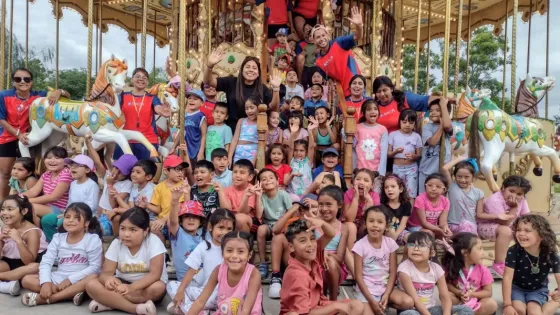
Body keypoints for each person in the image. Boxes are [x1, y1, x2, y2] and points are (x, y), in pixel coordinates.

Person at [85, 208, 167, 315]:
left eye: (133, 230)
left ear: (145, 231)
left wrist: (131, 288)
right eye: (123, 228)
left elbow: (155, 275)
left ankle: (110, 302)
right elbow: (106, 273)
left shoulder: (154, 242)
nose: (126, 234)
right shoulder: (116, 243)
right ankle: (135, 308)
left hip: (146, 286)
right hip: (122, 283)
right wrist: (108, 280)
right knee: (91, 285)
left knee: (158, 288)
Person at [21, 203, 103, 307]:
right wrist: (45, 283)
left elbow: (95, 267)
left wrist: (70, 280)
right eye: (67, 217)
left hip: (81, 278)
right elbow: (46, 262)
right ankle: (72, 294)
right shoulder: (58, 238)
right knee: (27, 280)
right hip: (59, 278)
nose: (70, 220)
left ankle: (52, 298)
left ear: (86, 223)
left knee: (94, 277)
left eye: (76, 218)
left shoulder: (92, 239)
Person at [0, 68, 64, 199]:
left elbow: (66, 95)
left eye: (26, 79)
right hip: (9, 136)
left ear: (31, 82)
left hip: (30, 137)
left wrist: (59, 91)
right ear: (13, 82)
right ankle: (3, 201)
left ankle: (27, 200)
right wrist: (18, 134)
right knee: (6, 173)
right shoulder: (4, 95)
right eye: (18, 79)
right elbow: (1, 119)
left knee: (29, 172)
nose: (23, 82)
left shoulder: (39, 95)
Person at [280, 219, 365, 314]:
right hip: (303, 312)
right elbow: (304, 313)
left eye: (312, 238)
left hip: (319, 306)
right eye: (302, 241)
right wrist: (335, 306)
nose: (310, 244)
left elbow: (331, 234)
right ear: (291, 247)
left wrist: (322, 223)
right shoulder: (297, 274)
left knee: (357, 305)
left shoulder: (312, 257)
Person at [168, 209, 236, 314]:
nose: (225, 233)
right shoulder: (203, 246)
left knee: (173, 307)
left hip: (222, 295)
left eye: (229, 229)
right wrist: (180, 291)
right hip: (203, 292)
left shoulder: (234, 249)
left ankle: (188, 309)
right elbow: (191, 270)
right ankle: (199, 311)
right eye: (221, 228)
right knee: (172, 285)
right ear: (210, 227)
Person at [353, 205, 414, 313]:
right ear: (365, 223)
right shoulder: (360, 245)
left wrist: (386, 294)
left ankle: (384, 303)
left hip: (385, 289)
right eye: (371, 221)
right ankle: (374, 306)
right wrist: (371, 301)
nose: (375, 225)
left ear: (386, 225)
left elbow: (393, 272)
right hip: (367, 292)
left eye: (380, 222)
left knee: (408, 302)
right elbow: (358, 277)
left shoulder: (390, 243)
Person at [185, 231, 263, 315]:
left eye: (240, 252)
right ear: (222, 253)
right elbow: (201, 301)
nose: (234, 256)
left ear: (249, 255)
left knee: (229, 305)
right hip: (224, 311)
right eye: (229, 250)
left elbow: (246, 311)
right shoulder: (219, 270)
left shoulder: (253, 274)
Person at [398, 232, 474, 315]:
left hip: (431, 309)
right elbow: (415, 300)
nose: (416, 248)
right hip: (412, 310)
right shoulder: (404, 269)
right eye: (412, 245)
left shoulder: (436, 269)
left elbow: (445, 297)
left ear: (432, 253)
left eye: (422, 245)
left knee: (465, 310)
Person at [204, 53, 281, 131]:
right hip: (232, 129)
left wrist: (276, 89)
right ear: (242, 70)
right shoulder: (231, 82)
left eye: (254, 68)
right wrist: (209, 66)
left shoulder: (262, 88)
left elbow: (274, 108)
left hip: (254, 130)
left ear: (258, 73)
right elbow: (208, 81)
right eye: (247, 67)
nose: (251, 70)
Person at [503, 214, 560, 315]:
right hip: (517, 288)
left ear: (542, 235)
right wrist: (507, 305)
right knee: (519, 310)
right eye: (518, 230)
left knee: (534, 312)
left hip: (538, 289)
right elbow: (507, 277)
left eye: (527, 230)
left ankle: (557, 302)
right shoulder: (513, 251)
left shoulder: (550, 253)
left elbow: (559, 276)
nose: (520, 233)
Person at [477, 175, 531, 278]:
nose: (514, 196)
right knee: (506, 231)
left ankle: (529, 263)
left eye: (519, 194)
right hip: (487, 227)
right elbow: (505, 223)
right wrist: (514, 207)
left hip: (509, 227)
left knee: (530, 230)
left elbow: (527, 218)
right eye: (511, 191)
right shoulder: (495, 199)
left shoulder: (522, 199)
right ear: (503, 188)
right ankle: (498, 264)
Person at [39, 154, 100, 241]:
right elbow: (70, 201)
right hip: (70, 213)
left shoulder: (92, 185)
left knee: (62, 222)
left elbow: (92, 206)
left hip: (86, 216)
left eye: (77, 166)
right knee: (46, 220)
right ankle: (53, 243)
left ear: (87, 169)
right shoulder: (73, 183)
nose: (72, 168)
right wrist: (66, 212)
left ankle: (67, 243)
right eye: (71, 165)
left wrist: (73, 215)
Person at [268, 194, 318, 299]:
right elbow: (275, 230)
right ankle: (276, 277)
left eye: (307, 208)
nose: (303, 211)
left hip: (312, 262)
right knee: (278, 238)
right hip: (293, 259)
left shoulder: (320, 222)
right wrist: (292, 210)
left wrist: (314, 216)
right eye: (301, 209)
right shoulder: (293, 221)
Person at [85, 135, 136, 238]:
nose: (116, 173)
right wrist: (88, 143)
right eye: (116, 168)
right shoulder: (108, 175)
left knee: (94, 233)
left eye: (121, 172)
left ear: (128, 174)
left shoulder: (127, 184)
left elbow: (114, 205)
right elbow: (97, 162)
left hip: (111, 217)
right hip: (101, 215)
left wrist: (109, 184)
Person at [115, 67, 170, 160]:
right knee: (122, 172)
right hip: (125, 139)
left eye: (144, 78)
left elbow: (157, 108)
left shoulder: (152, 98)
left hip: (148, 140)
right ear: (132, 80)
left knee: (145, 172)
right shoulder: (123, 96)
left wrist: (163, 111)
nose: (141, 79)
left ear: (148, 82)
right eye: (138, 76)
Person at [0, 194, 48, 296]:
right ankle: (8, 282)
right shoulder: (4, 227)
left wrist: (18, 241)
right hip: (9, 263)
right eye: (3, 209)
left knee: (34, 267)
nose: (4, 213)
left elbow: (29, 261)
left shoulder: (32, 231)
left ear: (24, 211)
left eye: (10, 209)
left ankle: (4, 280)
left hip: (27, 265)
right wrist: (1, 240)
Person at [442, 232, 497, 315]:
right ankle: (462, 312)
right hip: (459, 301)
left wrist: (472, 294)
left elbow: (488, 292)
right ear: (465, 252)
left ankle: (466, 313)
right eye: (479, 249)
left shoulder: (483, 269)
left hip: (476, 303)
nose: (483, 252)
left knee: (491, 304)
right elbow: (448, 285)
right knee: (446, 296)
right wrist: (458, 292)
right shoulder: (452, 266)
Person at [313, 7, 363, 97]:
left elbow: (357, 37)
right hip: (342, 95)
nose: (321, 39)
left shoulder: (339, 43)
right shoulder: (318, 62)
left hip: (357, 87)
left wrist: (359, 26)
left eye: (323, 35)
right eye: (318, 37)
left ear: (328, 35)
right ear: (314, 41)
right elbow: (329, 80)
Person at [23, 146, 72, 231]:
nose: (52, 160)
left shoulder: (66, 173)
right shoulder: (47, 173)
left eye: (57, 158)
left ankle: (37, 235)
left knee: (29, 207)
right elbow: (33, 191)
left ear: (65, 161)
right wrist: (18, 197)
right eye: (49, 158)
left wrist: (26, 201)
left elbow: (54, 197)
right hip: (47, 207)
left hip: (61, 210)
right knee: (17, 204)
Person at [256, 169, 292, 278]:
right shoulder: (262, 196)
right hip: (269, 226)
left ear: (277, 181)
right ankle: (263, 263)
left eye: (271, 178)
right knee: (261, 229)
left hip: (283, 225)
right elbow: (258, 216)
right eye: (264, 179)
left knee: (279, 235)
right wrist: (258, 195)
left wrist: (283, 228)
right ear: (260, 183)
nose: (268, 181)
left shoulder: (283, 194)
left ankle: (281, 268)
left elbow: (291, 213)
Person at [316, 185, 350, 301]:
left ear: (339, 205)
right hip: (315, 263)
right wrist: (320, 253)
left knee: (330, 262)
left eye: (329, 204)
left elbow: (340, 258)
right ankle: (320, 296)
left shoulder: (343, 228)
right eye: (321, 204)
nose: (324, 208)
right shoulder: (313, 225)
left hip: (335, 268)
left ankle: (333, 300)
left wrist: (325, 253)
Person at [168, 183, 205, 284]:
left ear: (201, 221)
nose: (191, 220)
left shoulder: (204, 235)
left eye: (195, 217)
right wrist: (175, 200)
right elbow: (172, 221)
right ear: (181, 220)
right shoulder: (178, 233)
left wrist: (187, 193)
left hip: (204, 281)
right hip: (185, 284)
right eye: (187, 217)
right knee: (171, 286)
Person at [148, 155, 189, 242]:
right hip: (161, 219)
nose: (181, 172)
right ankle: (163, 252)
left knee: (170, 222)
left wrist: (164, 220)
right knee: (151, 226)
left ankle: (173, 245)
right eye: (177, 169)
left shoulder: (183, 185)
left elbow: (180, 207)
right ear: (166, 171)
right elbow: (158, 209)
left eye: (182, 169)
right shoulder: (159, 187)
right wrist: (146, 204)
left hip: (177, 220)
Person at [418, 98, 452, 193]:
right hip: (427, 169)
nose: (433, 113)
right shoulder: (427, 127)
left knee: (440, 198)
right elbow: (432, 142)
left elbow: (447, 126)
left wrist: (444, 106)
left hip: (441, 170)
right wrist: (441, 127)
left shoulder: (449, 125)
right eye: (431, 111)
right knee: (423, 195)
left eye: (437, 110)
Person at [442, 157, 484, 235]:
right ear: (455, 176)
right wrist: (459, 159)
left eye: (467, 177)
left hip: (470, 227)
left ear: (473, 177)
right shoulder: (452, 186)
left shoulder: (478, 193)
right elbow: (445, 168)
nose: (462, 180)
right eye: (459, 176)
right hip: (453, 225)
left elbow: (479, 214)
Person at [407, 173, 452, 241]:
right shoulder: (420, 199)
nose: (433, 189)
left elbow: (443, 222)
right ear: (425, 186)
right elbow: (424, 223)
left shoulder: (446, 201)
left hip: (433, 227)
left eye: (438, 186)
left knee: (449, 235)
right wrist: (439, 230)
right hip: (416, 227)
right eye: (430, 185)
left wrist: (445, 228)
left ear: (444, 190)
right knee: (429, 234)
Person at [388, 109, 422, 198]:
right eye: (404, 122)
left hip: (411, 169)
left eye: (411, 122)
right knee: (397, 192)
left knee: (411, 194)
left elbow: (419, 155)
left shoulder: (416, 136)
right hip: (397, 168)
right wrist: (396, 152)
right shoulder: (393, 135)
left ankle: (409, 211)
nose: (407, 125)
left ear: (415, 123)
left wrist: (414, 156)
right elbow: (388, 154)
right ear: (400, 122)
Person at [343, 169, 380, 248]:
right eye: (358, 179)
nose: (361, 182)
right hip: (350, 228)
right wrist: (355, 198)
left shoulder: (374, 196)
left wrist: (369, 201)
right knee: (351, 226)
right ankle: (351, 255)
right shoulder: (348, 193)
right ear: (353, 182)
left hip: (364, 225)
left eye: (366, 180)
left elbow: (372, 218)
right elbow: (349, 219)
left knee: (370, 225)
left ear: (372, 185)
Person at [224, 159, 261, 233]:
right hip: (233, 220)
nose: (237, 175)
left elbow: (243, 212)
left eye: (242, 173)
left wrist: (246, 196)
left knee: (240, 218)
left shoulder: (252, 190)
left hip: (250, 222)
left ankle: (244, 242)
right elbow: (226, 210)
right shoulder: (226, 190)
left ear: (250, 177)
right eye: (235, 172)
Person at [355, 99, 388, 175]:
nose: (373, 111)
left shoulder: (382, 129)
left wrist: (381, 173)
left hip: (376, 171)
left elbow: (383, 153)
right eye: (369, 109)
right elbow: (352, 145)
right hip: (360, 169)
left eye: (375, 109)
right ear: (363, 113)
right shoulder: (357, 128)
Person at [229, 96, 260, 165]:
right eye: (246, 108)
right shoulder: (241, 121)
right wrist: (230, 157)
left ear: (258, 108)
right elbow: (234, 140)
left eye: (252, 107)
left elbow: (261, 145)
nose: (249, 111)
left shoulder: (261, 124)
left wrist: (254, 161)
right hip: (238, 153)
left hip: (252, 154)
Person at [381, 175, 412, 245]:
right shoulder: (382, 205)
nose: (389, 189)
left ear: (400, 189)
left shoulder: (406, 204)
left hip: (400, 231)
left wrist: (395, 235)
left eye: (393, 186)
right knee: (390, 231)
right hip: (386, 231)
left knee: (410, 238)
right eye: (386, 187)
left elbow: (403, 224)